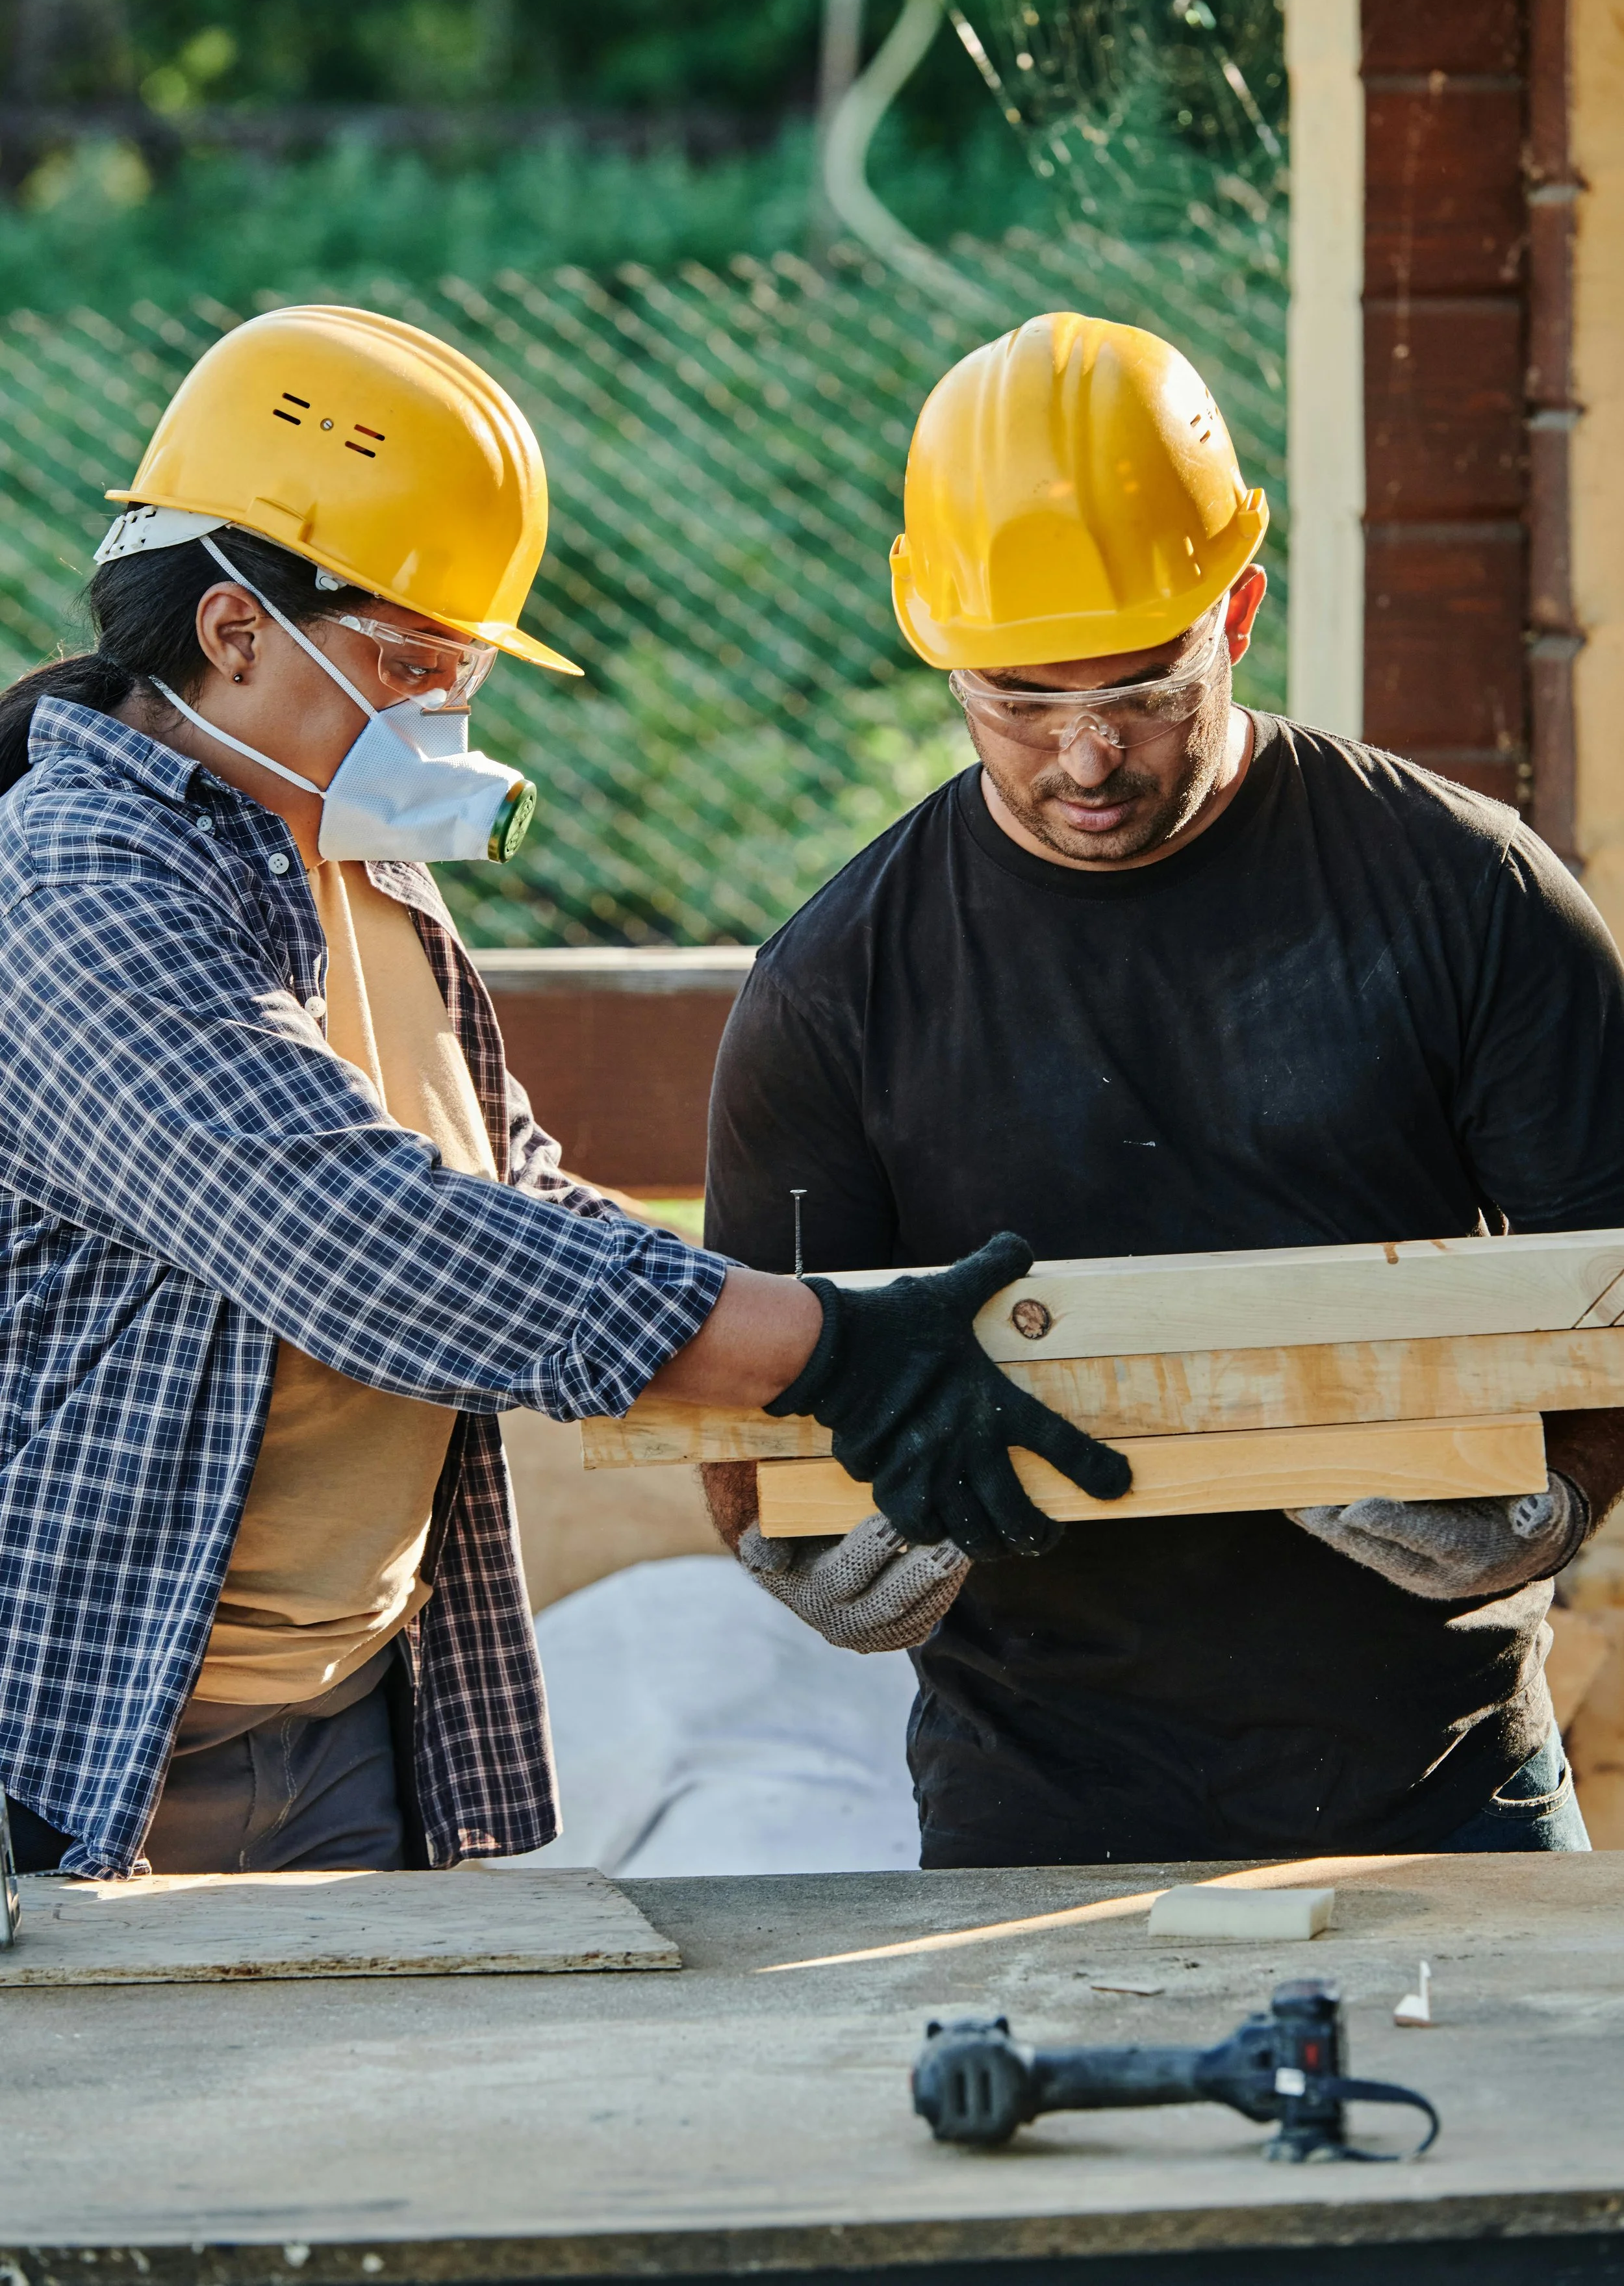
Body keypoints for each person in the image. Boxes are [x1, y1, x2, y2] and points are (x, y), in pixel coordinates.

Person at [0, 304, 1126, 1881]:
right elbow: (353, 1240)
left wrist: (802, 1353)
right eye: (408, 664)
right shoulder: (83, 887)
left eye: (461, 675)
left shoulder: (358, 857)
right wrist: (824, 1351)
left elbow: (507, 1188)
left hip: (347, 1713)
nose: (438, 721)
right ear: (233, 630)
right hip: (98, 1738)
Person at [703, 310, 1624, 1866]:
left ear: (1237, 612)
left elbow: (1613, 1277)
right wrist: (796, 1546)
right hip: (1030, 1787)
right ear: (938, 650)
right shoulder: (836, 983)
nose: (1083, 758)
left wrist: (1557, 1501)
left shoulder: (1466, 897)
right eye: (1017, 700)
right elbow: (737, 1389)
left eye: (1139, 690)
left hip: (1443, 1766)